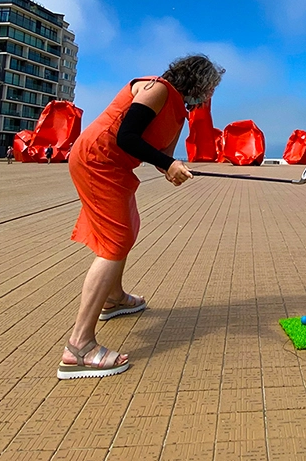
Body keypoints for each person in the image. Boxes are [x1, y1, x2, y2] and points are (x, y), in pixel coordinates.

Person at [57, 54, 225, 380]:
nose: (208, 96)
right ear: (196, 80)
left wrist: (170, 168)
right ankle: (79, 347)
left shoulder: (178, 111)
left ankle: (115, 299)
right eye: (209, 88)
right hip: (98, 160)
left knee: (128, 229)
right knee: (115, 241)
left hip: (115, 166)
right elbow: (127, 136)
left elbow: (160, 155)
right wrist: (168, 164)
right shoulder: (158, 89)